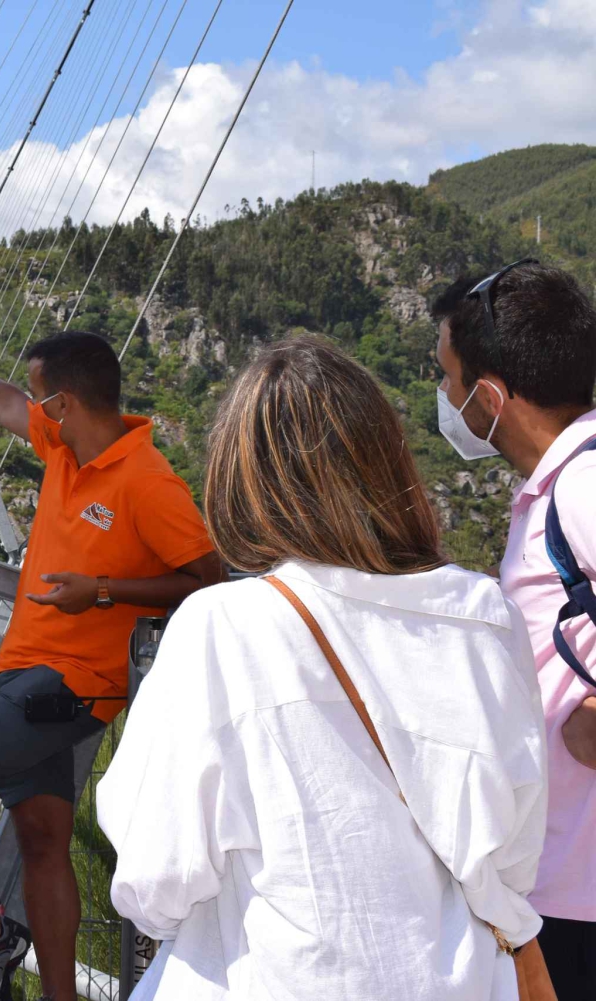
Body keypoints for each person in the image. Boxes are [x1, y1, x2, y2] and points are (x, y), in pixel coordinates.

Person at [97, 337, 547, 1001]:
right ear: (385, 461)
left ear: (241, 480)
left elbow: (154, 878)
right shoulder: (483, 617)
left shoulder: (221, 627)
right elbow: (516, 853)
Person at [0, 331, 224, 1001]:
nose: (35, 409)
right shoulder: (63, 447)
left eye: (43, 398)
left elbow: (208, 580)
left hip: (73, 685)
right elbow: (6, 405)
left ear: (68, 401)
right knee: (44, 841)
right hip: (22, 669)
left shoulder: (147, 480)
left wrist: (103, 590)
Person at [431, 259, 596, 1000]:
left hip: (579, 886)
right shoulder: (561, 486)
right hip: (559, 875)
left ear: (491, 396)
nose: (445, 398)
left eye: (449, 378)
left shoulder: (584, 487)